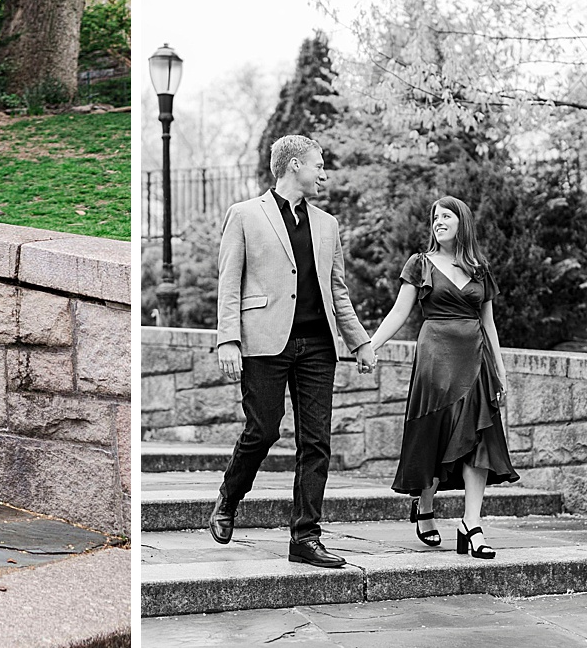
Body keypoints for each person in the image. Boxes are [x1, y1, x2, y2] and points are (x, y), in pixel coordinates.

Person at [210, 135, 374, 568]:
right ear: (295, 164)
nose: (325, 174)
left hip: (318, 345)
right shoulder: (245, 215)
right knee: (263, 430)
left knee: (316, 441)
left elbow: (337, 290)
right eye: (320, 165)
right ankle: (230, 495)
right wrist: (228, 338)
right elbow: (229, 282)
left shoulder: (327, 224)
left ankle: (305, 537)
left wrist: (359, 341)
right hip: (264, 342)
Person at [361, 196, 517, 559]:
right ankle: (425, 503)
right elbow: (400, 311)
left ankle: (472, 524)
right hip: (435, 358)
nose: (438, 222)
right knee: (435, 432)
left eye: (446, 216)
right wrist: (369, 345)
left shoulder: (480, 268)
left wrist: (501, 366)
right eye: (435, 217)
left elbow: (489, 323)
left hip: (475, 361)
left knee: (478, 438)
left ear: (462, 222)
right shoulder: (421, 264)